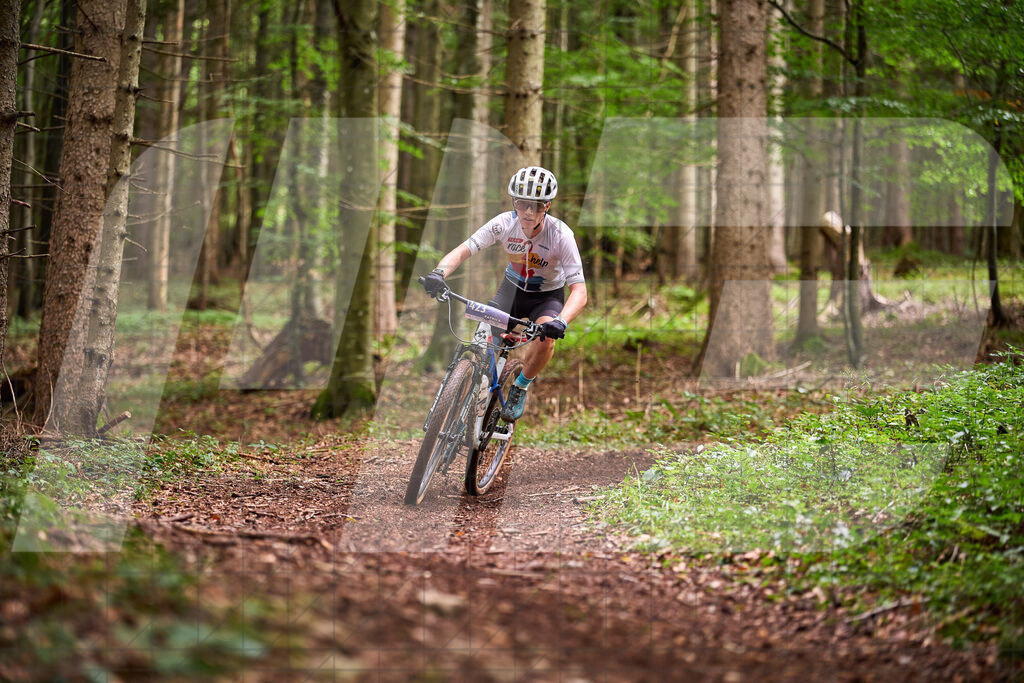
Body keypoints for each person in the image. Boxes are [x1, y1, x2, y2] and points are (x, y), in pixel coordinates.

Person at [421, 166, 588, 421]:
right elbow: (464, 250)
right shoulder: (503, 223)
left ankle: (520, 385)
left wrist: (560, 321)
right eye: (522, 204)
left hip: (545, 298)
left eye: (538, 206)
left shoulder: (561, 235)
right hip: (510, 292)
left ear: (548, 206)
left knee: (546, 339)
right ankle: (475, 382)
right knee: (483, 338)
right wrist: (438, 273)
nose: (529, 212)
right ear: (514, 202)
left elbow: (580, 290)